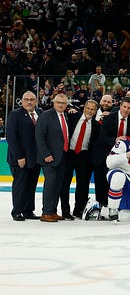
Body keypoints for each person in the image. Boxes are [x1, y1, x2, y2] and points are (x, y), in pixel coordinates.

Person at [91, 96, 130, 207]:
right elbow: (103, 137)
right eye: (124, 106)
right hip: (103, 156)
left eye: (129, 108)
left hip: (120, 159)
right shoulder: (108, 118)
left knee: (115, 183)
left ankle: (115, 207)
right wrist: (115, 140)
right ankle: (101, 207)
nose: (126, 110)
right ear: (120, 106)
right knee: (101, 184)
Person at [6, 91, 42, 221]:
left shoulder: (40, 113)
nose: (29, 102)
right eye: (26, 99)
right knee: (20, 186)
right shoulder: (15, 114)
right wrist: (19, 156)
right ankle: (17, 211)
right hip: (20, 158)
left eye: (32, 99)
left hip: (35, 158)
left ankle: (28, 210)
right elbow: (11, 137)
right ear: (22, 101)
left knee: (31, 185)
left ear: (36, 101)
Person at [35, 93, 71, 222]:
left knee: (57, 185)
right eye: (58, 102)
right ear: (54, 103)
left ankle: (52, 211)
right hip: (49, 157)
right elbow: (39, 136)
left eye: (63, 103)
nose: (61, 105)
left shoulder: (65, 116)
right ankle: (46, 212)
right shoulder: (46, 115)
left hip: (62, 157)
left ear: (66, 105)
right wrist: (46, 154)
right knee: (50, 184)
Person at [65, 99, 100, 219]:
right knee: (65, 183)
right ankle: (65, 210)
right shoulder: (73, 117)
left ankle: (79, 210)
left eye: (92, 109)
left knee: (83, 185)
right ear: (84, 108)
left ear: (95, 111)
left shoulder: (96, 125)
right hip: (69, 153)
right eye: (88, 108)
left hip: (84, 156)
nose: (89, 111)